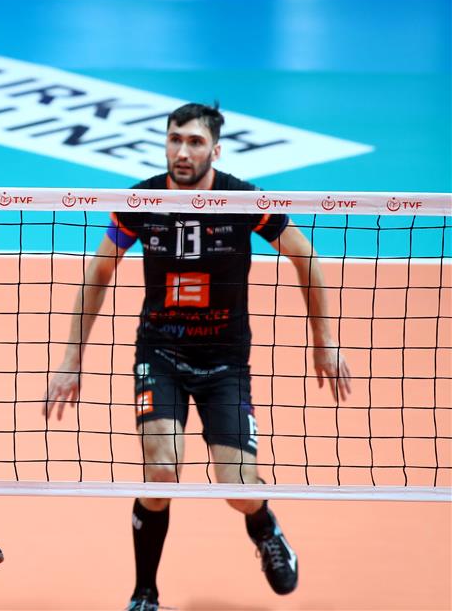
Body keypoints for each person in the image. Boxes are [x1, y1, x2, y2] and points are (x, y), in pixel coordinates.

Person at [43, 103, 353, 611]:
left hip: (225, 363)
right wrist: (70, 360)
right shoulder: (141, 201)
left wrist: (324, 340)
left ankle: (264, 526)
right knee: (161, 472)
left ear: (215, 149)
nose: (182, 151)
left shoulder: (244, 201)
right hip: (160, 354)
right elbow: (97, 274)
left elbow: (307, 259)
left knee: (237, 490)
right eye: (174, 140)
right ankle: (145, 594)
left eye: (194, 142)